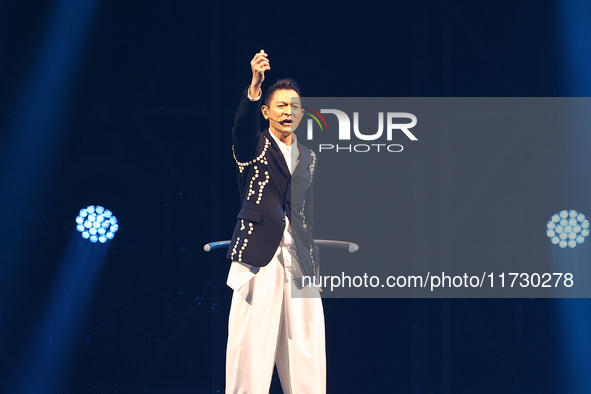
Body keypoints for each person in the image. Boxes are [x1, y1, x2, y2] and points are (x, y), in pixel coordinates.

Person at [225, 50, 325, 394]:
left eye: (294, 107)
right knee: (251, 352)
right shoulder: (253, 145)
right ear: (266, 112)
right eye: (281, 106)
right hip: (258, 256)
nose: (288, 112)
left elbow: (305, 212)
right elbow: (241, 128)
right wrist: (254, 87)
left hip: (299, 260)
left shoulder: (309, 156)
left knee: (307, 352)